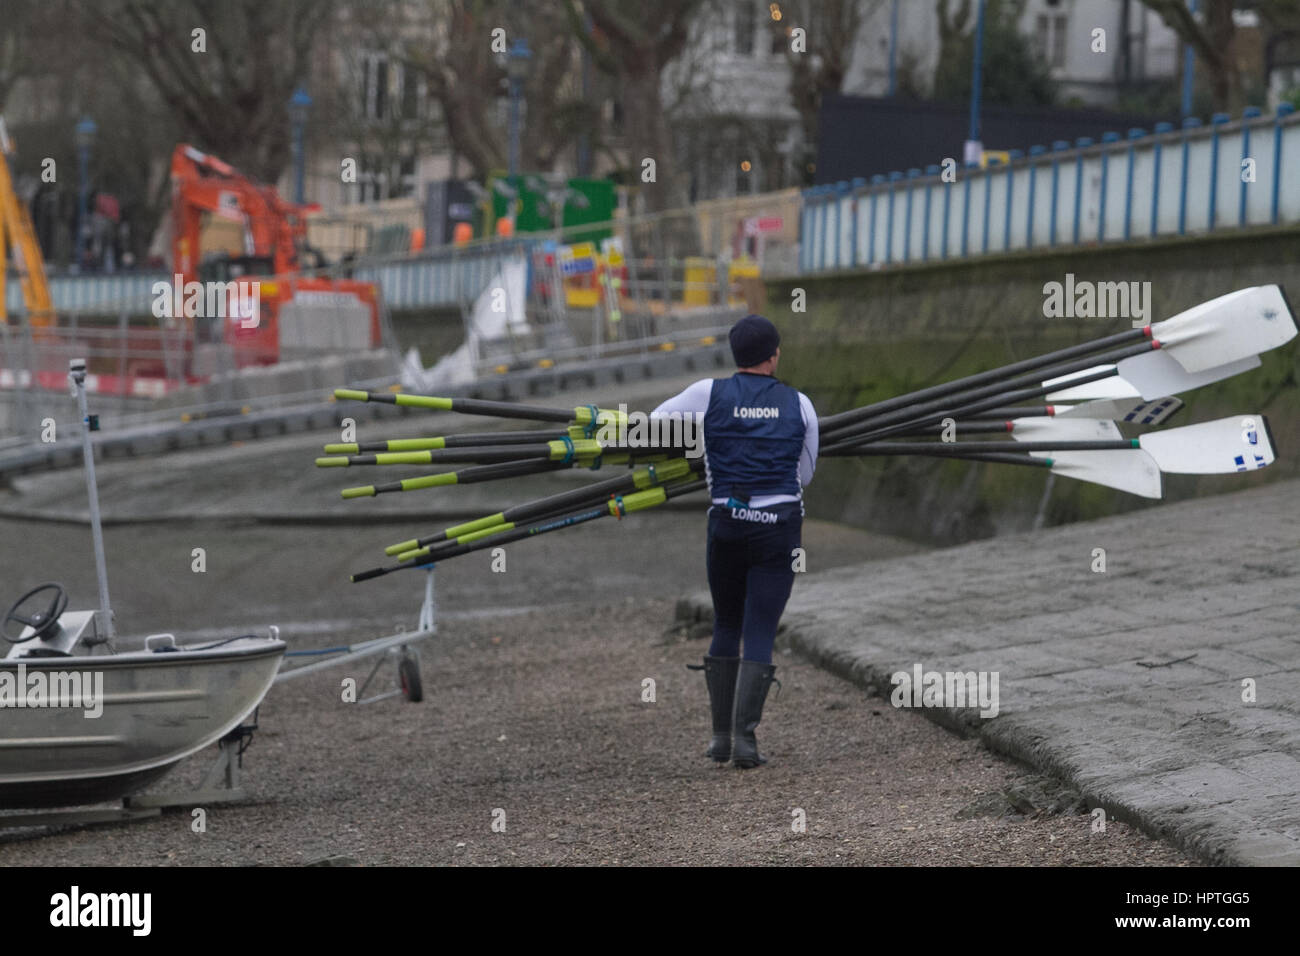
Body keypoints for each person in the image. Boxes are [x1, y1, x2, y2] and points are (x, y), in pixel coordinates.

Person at [651, 314, 817, 769]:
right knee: (759, 629)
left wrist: (702, 446)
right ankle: (746, 741)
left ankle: (719, 738)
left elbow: (652, 425)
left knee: (726, 622)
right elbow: (803, 475)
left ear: (735, 355)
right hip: (777, 529)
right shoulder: (800, 404)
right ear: (775, 354)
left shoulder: (708, 394)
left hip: (726, 524)